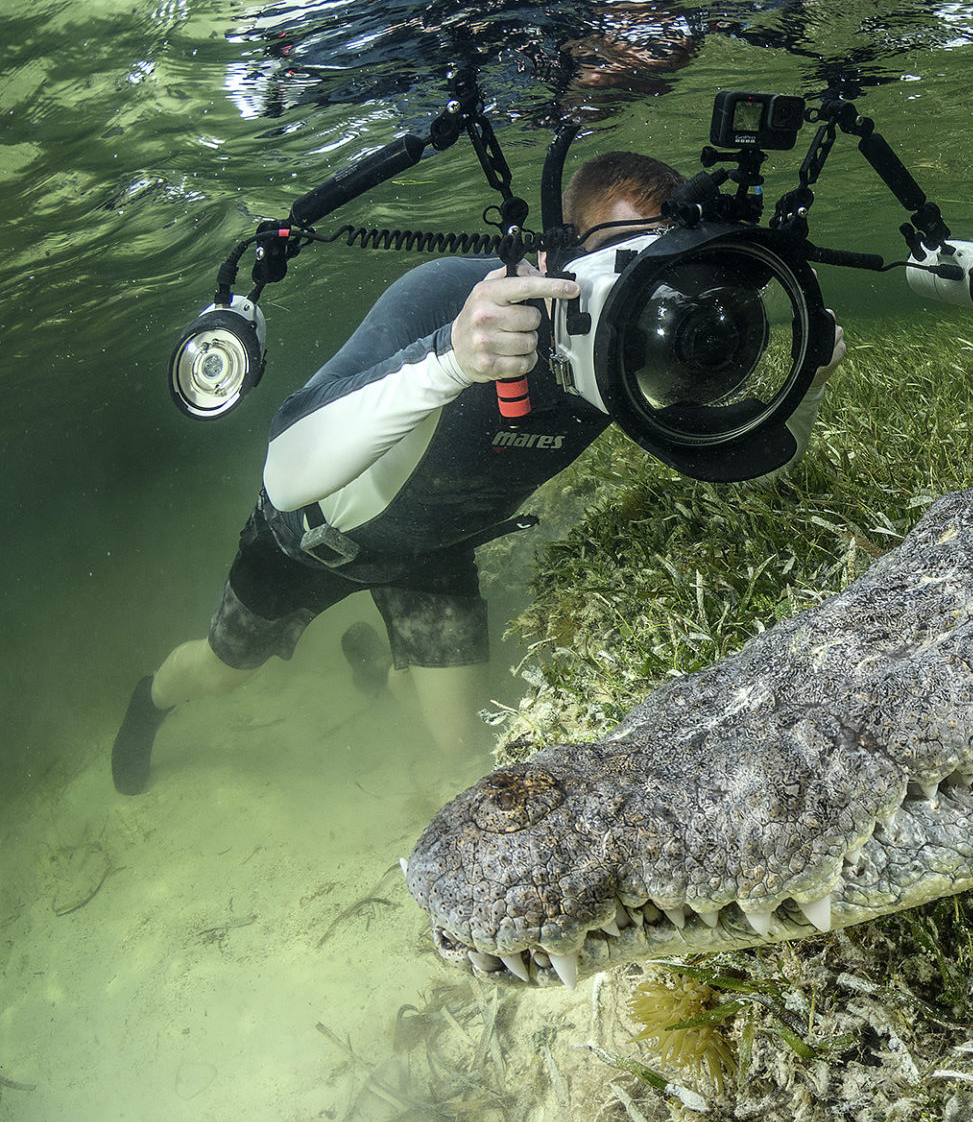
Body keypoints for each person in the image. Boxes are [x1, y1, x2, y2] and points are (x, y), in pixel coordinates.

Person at [113, 150, 846, 795]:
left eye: (668, 269)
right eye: (624, 265)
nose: (647, 300)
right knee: (221, 670)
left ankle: (379, 666)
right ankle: (151, 701)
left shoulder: (639, 361)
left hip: (433, 555)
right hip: (307, 542)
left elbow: (751, 475)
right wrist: (453, 356)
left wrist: (801, 386)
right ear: (560, 259)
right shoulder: (454, 298)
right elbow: (287, 473)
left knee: (458, 744)